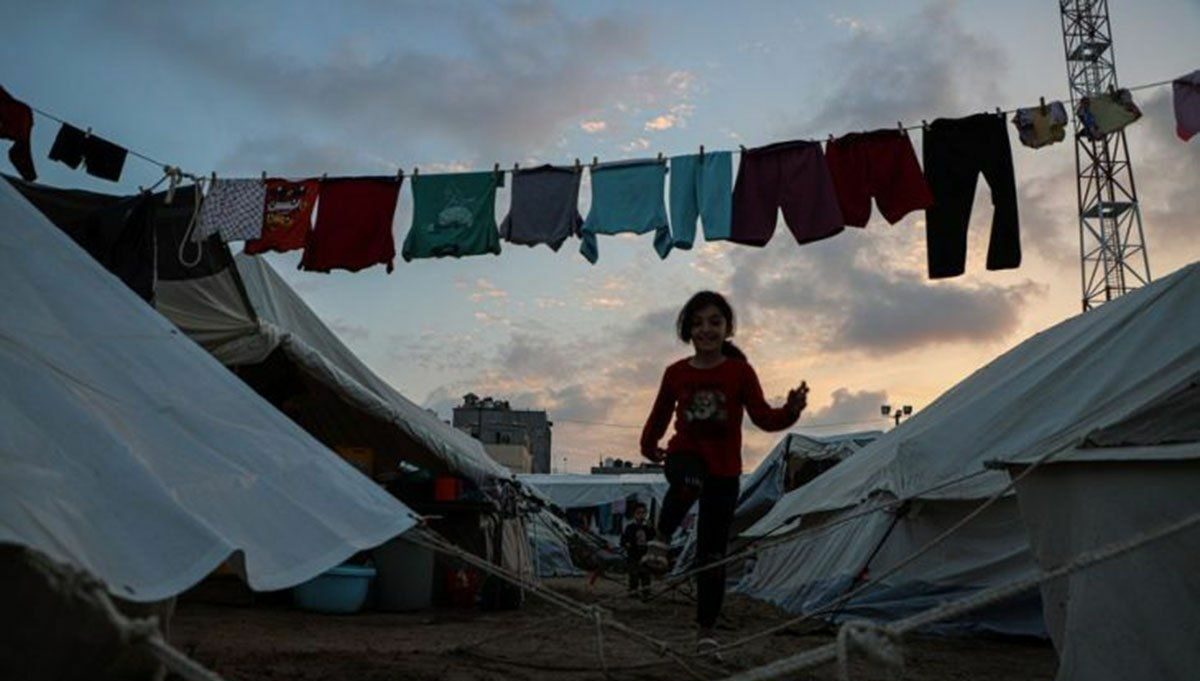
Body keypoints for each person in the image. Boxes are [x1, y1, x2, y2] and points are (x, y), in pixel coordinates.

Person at [639, 290, 807, 655]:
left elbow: (764, 417)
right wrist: (648, 444)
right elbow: (660, 414)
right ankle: (661, 539)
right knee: (688, 480)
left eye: (715, 321)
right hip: (684, 457)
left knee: (712, 555)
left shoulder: (739, 373)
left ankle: (706, 631)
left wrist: (791, 410)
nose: (706, 329)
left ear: (727, 328)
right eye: (698, 323)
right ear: (687, 330)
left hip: (725, 471)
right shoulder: (676, 373)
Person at [619, 502, 653, 599]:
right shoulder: (630, 527)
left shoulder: (648, 527)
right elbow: (623, 539)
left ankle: (646, 592)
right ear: (634, 514)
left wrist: (651, 529)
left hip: (645, 553)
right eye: (638, 513)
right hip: (633, 554)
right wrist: (626, 544)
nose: (641, 515)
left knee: (645, 574)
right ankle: (633, 592)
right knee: (634, 574)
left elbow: (652, 538)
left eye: (643, 513)